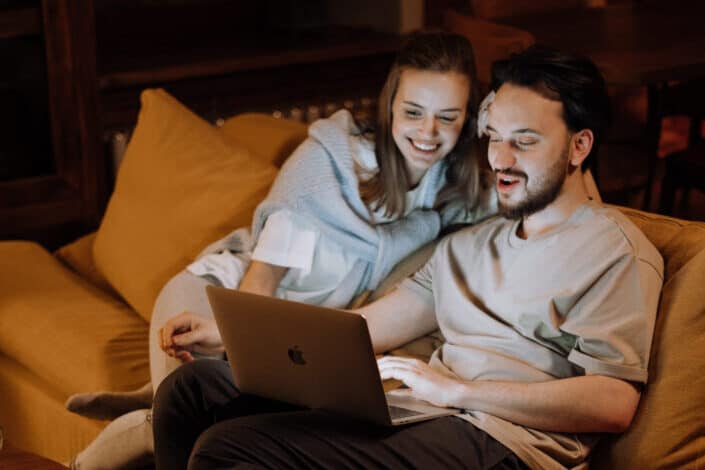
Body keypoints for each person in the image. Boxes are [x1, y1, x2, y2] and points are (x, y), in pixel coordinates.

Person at [150, 44, 664, 470]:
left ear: (579, 148)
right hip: (422, 414)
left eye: (525, 143)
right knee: (192, 391)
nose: (501, 161)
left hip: (504, 444)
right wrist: (241, 337)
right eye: (495, 140)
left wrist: (457, 390)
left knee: (228, 448)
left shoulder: (612, 251)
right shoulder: (469, 243)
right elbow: (365, 327)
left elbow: (613, 403)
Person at [66, 30, 496, 469]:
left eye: (448, 116)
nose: (428, 132)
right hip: (226, 297)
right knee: (181, 420)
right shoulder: (327, 164)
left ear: (468, 120)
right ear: (389, 107)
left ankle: (147, 398)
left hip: (296, 335)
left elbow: (523, 208)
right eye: (413, 112)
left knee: (232, 424)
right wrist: (228, 335)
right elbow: (262, 278)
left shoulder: (457, 193)